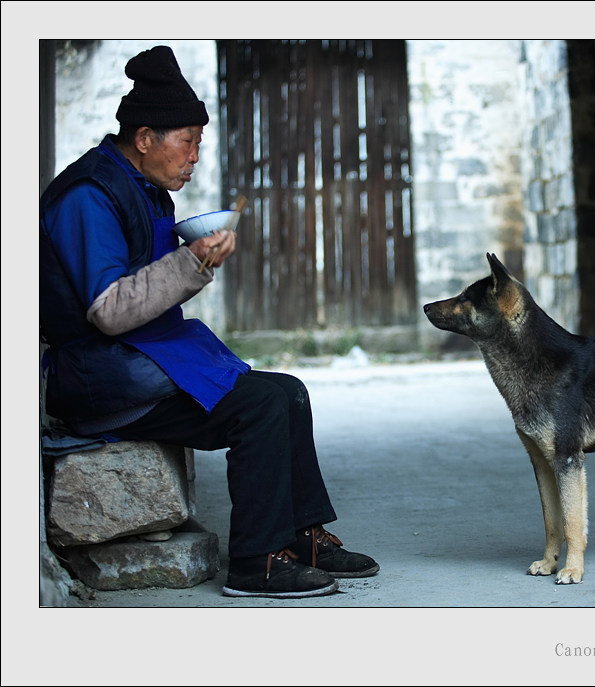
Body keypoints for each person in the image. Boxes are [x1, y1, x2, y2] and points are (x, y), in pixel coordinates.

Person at [39, 45, 378, 598]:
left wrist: (194, 257)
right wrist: (192, 261)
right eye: (187, 142)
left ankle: (299, 535)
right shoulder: (88, 196)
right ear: (145, 139)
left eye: (199, 142)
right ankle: (256, 562)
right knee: (262, 405)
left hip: (141, 360)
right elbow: (108, 310)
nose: (195, 155)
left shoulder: (144, 187)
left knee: (286, 392)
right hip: (102, 377)